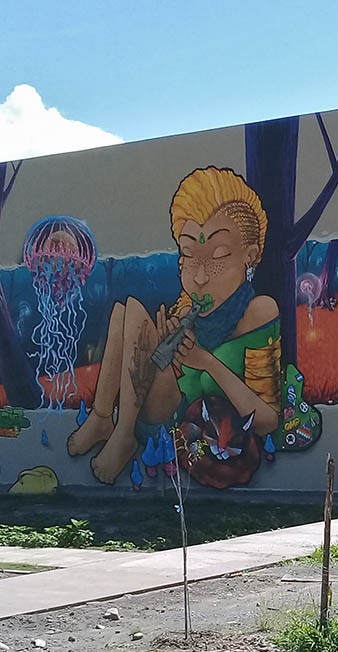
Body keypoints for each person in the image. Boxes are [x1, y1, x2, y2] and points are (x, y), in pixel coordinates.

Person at [67, 167, 281, 484]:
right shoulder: (186, 310)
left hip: (196, 430)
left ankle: (123, 434)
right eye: (189, 254)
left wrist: (206, 362)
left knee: (135, 311)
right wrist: (168, 348)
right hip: (159, 408)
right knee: (124, 312)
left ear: (249, 256)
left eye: (219, 255)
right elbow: (172, 375)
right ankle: (102, 418)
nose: (200, 276)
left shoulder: (259, 312)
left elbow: (268, 420)